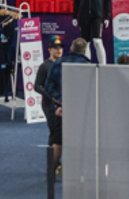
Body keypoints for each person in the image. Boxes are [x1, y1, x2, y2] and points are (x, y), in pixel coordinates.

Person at [42, 38, 93, 166]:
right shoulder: (89, 67)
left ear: (71, 48)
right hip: (82, 111)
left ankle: (51, 173)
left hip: (62, 109)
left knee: (58, 140)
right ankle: (78, 172)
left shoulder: (58, 63)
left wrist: (60, 101)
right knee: (82, 140)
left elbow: (48, 87)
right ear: (85, 51)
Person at [37, 36, 65, 170]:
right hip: (50, 105)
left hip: (61, 104)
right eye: (56, 48)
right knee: (55, 131)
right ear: (49, 50)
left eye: (60, 48)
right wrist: (50, 95)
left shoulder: (63, 64)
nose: (59, 51)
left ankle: (55, 161)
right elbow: (37, 86)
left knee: (58, 133)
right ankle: (52, 163)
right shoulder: (45, 66)